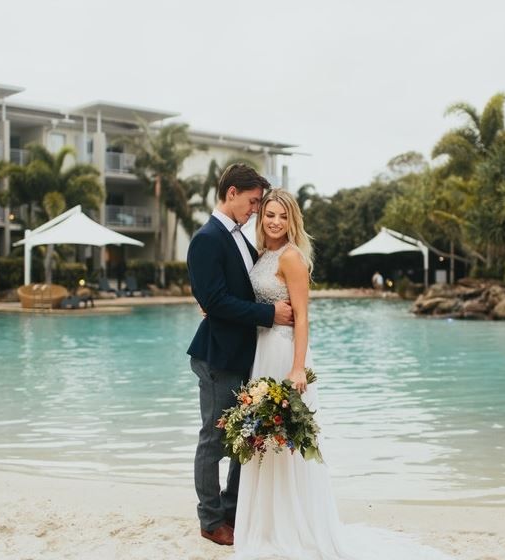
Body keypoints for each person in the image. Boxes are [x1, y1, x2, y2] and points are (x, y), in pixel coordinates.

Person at [232, 189, 453, 559]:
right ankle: (266, 524)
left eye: (282, 217)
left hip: (285, 352)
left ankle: (296, 526)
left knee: (289, 444)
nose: (274, 222)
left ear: (292, 222)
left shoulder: (292, 258)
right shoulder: (263, 255)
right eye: (269, 214)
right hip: (261, 353)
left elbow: (302, 316)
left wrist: (298, 366)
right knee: (265, 440)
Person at [186, 163, 295, 547]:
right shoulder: (207, 238)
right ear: (231, 193)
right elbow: (214, 299)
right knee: (214, 440)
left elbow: (244, 289)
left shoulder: (239, 238)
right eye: (251, 202)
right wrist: (269, 314)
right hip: (217, 356)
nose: (254, 211)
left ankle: (234, 511)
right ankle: (211, 519)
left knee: (242, 439)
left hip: (246, 355)